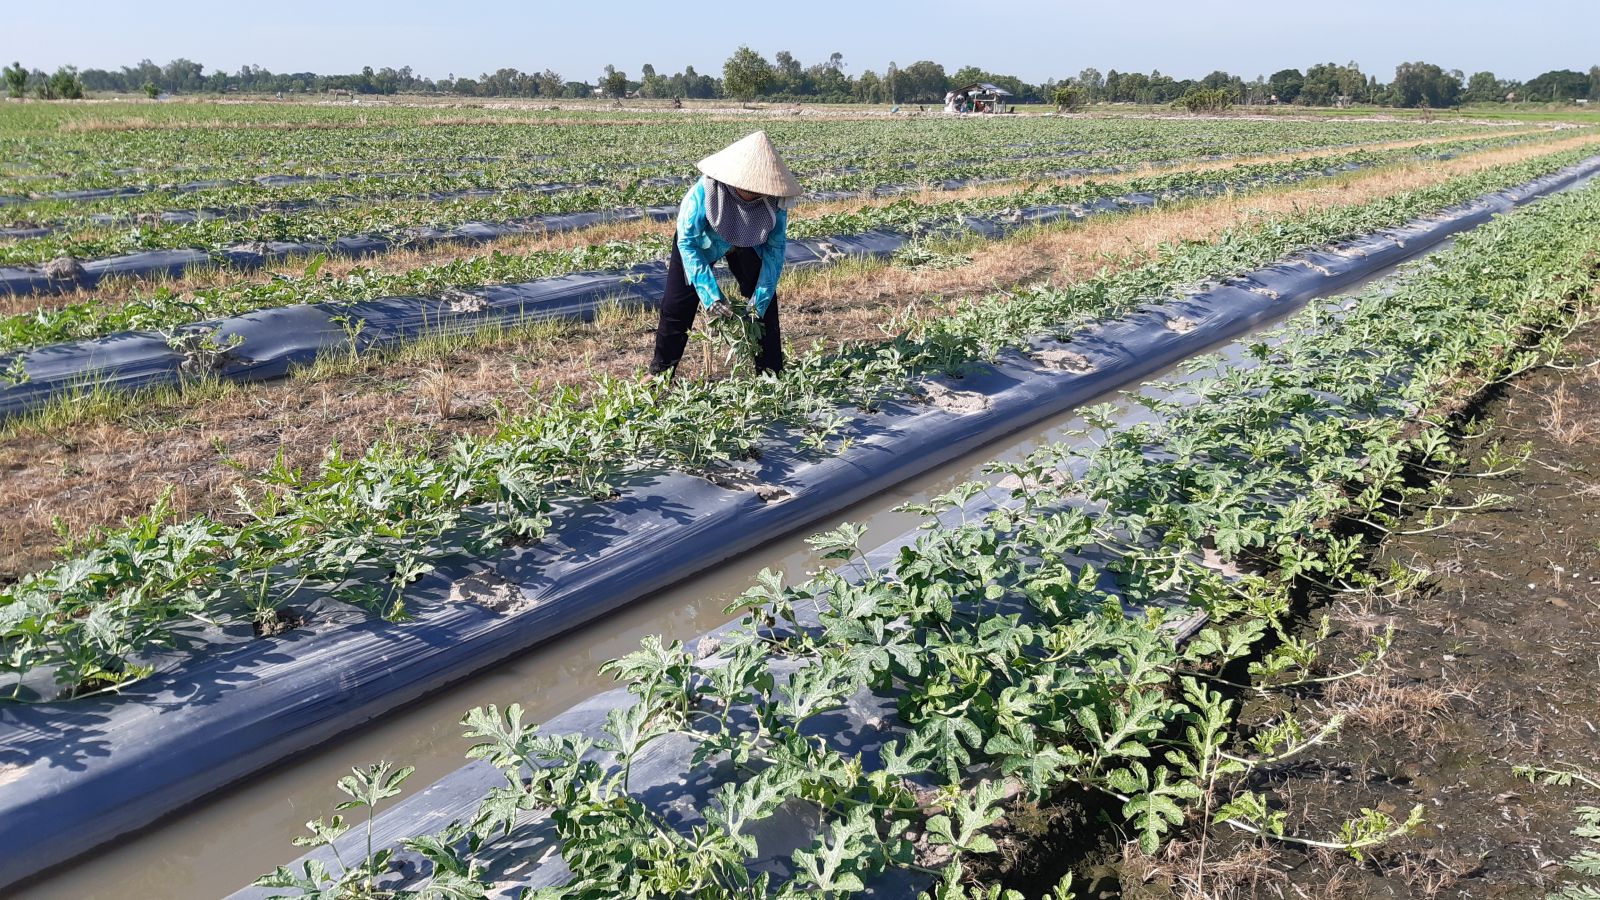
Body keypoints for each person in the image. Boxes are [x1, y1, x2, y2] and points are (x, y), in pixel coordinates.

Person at [649, 131, 802, 377]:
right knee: (677, 305)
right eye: (748, 188)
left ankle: (770, 372)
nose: (754, 192)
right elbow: (687, 242)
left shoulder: (776, 203)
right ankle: (660, 372)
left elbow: (774, 252)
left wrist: (757, 305)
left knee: (765, 306)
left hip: (751, 243)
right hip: (702, 244)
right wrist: (711, 296)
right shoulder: (702, 193)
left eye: (759, 189)